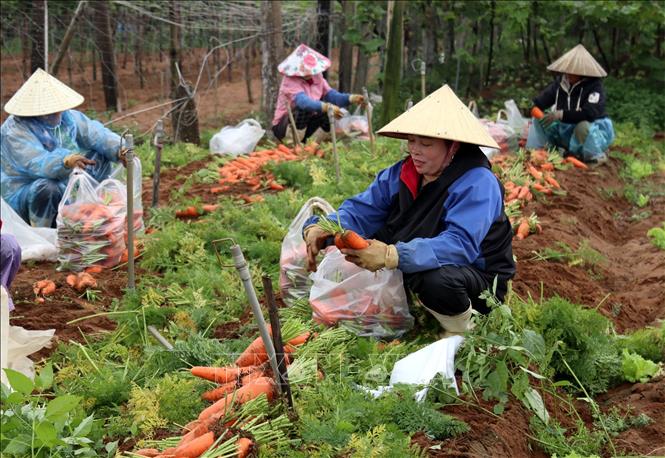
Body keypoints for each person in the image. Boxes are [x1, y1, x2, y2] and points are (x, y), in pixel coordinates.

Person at [303, 85, 516, 336]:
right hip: (422, 259)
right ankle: (411, 308)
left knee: (436, 281)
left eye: (426, 144)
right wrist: (325, 226)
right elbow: (364, 209)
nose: (415, 150)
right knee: (364, 239)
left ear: (453, 146)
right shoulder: (405, 173)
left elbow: (459, 245)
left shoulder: (478, 182)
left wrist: (392, 255)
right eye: (412, 141)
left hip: (478, 280)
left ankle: (465, 331)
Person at [1, 68, 126, 228]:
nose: (58, 114)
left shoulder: (67, 117)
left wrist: (119, 148)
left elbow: (96, 133)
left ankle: (94, 215)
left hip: (63, 177)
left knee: (99, 158)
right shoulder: (15, 130)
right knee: (47, 188)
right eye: (52, 111)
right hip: (25, 190)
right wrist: (64, 160)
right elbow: (35, 161)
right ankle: (44, 233)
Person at [526, 44, 615, 165]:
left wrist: (560, 114)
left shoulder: (594, 87)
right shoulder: (561, 84)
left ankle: (594, 155)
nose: (568, 75)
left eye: (573, 72)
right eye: (567, 71)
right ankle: (539, 152)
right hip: (565, 129)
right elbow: (538, 103)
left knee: (583, 126)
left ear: (582, 72)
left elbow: (589, 114)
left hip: (590, 131)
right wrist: (538, 113)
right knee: (538, 120)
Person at [272, 44, 365, 143]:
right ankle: (294, 143)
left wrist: (351, 98)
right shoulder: (289, 81)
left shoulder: (317, 76)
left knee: (328, 114)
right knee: (306, 109)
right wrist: (325, 106)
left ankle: (311, 145)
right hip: (285, 126)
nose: (309, 73)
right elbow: (303, 102)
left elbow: (332, 95)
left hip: (306, 124)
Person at [0, 224, 21, 313]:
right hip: (12, 244)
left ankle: (6, 308)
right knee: (5, 279)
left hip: (6, 249)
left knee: (2, 282)